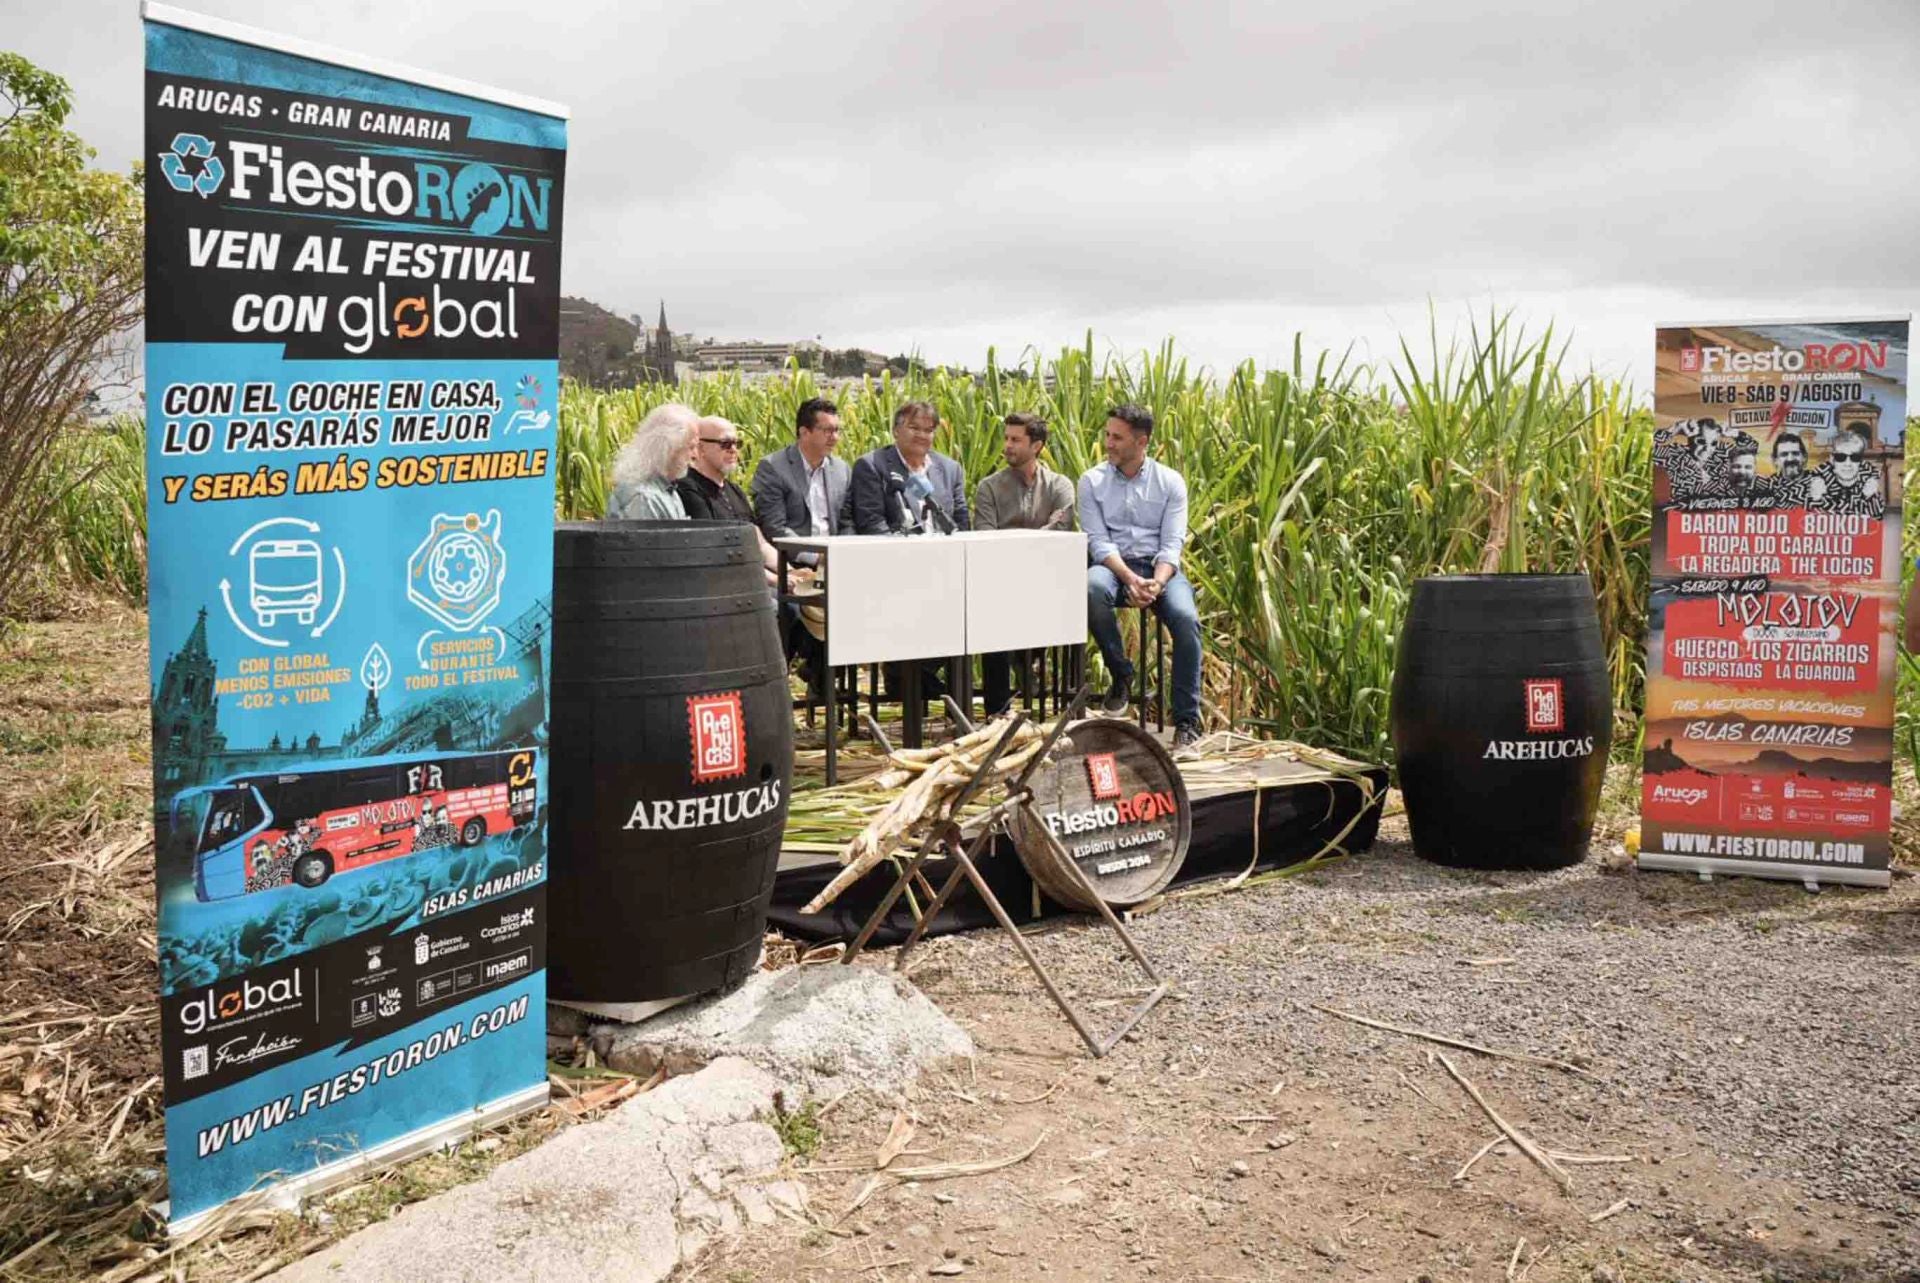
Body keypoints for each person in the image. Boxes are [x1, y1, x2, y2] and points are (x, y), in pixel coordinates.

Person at [1079, 404, 1203, 749]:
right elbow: (1098, 541)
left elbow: (1172, 543)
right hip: (1114, 568)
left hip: (1160, 571)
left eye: (1117, 437)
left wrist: (1156, 583)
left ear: (1142, 441)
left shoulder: (1170, 482)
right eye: (1107, 434)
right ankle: (1121, 673)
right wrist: (1130, 579)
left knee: (1186, 618)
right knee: (1091, 587)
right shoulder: (1092, 481)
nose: (1109, 443)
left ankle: (1187, 722)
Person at [974, 413, 1076, 713]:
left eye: (1016, 440)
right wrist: (1036, 538)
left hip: (1044, 580)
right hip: (998, 579)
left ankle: (1028, 659)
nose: (1007, 446)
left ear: (1037, 446)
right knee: (994, 609)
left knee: (1056, 598)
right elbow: (985, 539)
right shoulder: (989, 487)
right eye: (1006, 438)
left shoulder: (1059, 486)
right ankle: (998, 713)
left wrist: (1019, 542)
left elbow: (1061, 532)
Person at [677, 414, 781, 586]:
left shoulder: (735, 490)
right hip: (723, 585)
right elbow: (718, 550)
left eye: (736, 443)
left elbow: (759, 542)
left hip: (754, 579)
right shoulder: (688, 489)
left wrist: (790, 571)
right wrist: (777, 580)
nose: (733, 450)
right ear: (699, 448)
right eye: (725, 444)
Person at [751, 397, 854, 564]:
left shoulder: (842, 470)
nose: (835, 437)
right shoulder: (773, 467)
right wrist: (816, 558)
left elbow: (847, 521)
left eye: (837, 430)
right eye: (827, 431)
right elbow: (774, 526)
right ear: (804, 432)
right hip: (793, 562)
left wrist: (842, 553)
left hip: (837, 560)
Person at [851, 401, 970, 534]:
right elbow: (873, 525)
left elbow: (962, 524)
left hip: (946, 551)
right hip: (896, 551)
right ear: (896, 431)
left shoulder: (951, 469)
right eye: (914, 428)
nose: (922, 435)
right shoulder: (872, 466)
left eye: (928, 430)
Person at [607, 403, 698, 520]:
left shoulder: (666, 489)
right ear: (669, 449)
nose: (695, 455)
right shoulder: (644, 498)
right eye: (691, 447)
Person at [1805, 427, 1885, 518]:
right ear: (1832, 459)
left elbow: (1876, 522)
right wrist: (1816, 498)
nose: (1848, 463)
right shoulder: (1817, 484)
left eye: (1855, 458)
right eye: (1840, 457)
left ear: (1860, 461)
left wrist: (1870, 498)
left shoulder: (1870, 488)